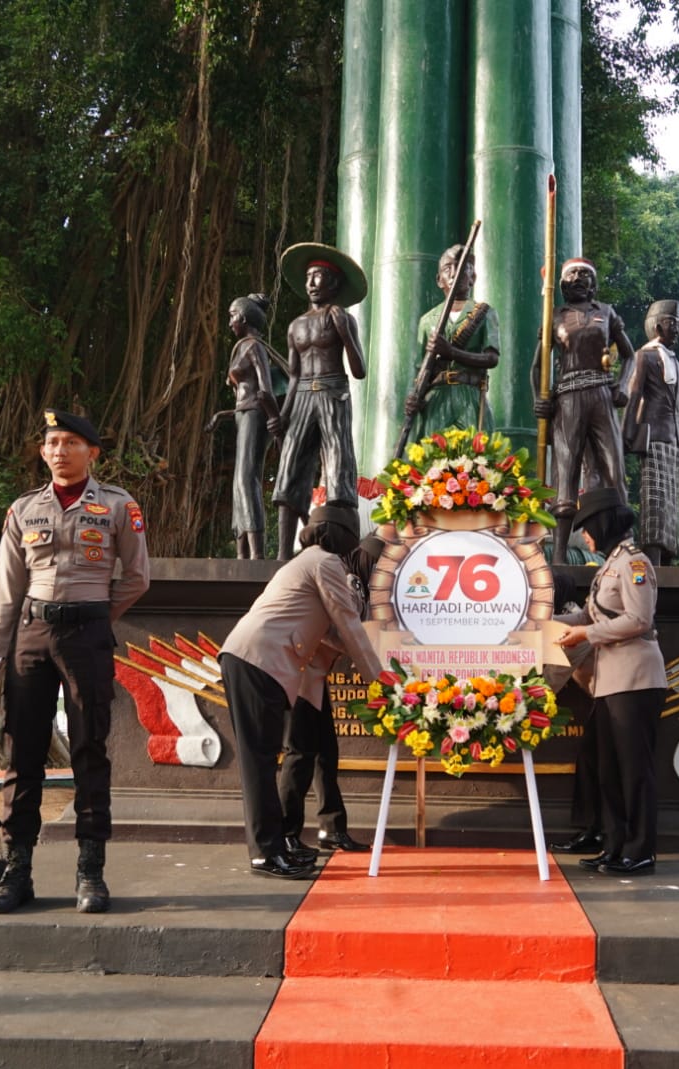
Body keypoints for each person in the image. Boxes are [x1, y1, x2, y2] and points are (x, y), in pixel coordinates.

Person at [0, 408, 151, 915]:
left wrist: (95, 615)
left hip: (87, 635)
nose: (58, 451)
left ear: (92, 452)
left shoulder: (119, 506)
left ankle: (90, 872)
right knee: (21, 752)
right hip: (31, 633)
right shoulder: (23, 510)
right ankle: (17, 870)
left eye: (71, 442)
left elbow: (137, 577)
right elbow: (4, 590)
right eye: (51, 442)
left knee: (89, 749)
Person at [219, 504, 384, 878]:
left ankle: (278, 846)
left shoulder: (308, 560)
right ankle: (265, 853)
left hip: (257, 660)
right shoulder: (325, 562)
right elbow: (347, 626)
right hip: (257, 660)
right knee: (259, 762)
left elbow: (327, 633)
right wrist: (381, 682)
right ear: (342, 537)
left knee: (264, 758)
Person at [556, 487, 667, 876]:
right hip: (610, 681)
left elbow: (639, 620)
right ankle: (615, 844)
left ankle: (641, 850)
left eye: (586, 528)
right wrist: (543, 626)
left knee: (634, 770)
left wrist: (585, 636)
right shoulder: (609, 565)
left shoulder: (634, 563)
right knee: (608, 768)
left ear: (602, 524)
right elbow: (590, 618)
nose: (584, 536)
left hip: (636, 679)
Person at [276, 535, 384, 855]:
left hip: (313, 676)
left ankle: (331, 828)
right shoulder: (346, 579)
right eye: (378, 565)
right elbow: (338, 631)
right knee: (299, 754)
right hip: (299, 673)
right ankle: (286, 833)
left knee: (326, 752)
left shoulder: (355, 582)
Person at [530, 258, 636, 563]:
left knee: (614, 470)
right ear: (562, 284)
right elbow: (538, 366)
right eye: (572, 274)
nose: (578, 278)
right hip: (568, 398)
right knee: (567, 471)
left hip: (601, 393)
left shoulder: (606, 313)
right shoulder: (555, 316)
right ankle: (560, 555)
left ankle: (623, 546)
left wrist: (624, 385)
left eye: (584, 274)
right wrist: (540, 397)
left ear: (593, 283)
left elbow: (629, 356)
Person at [272, 243, 369, 561]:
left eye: (319, 276)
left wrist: (346, 334)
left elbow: (359, 370)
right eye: (309, 277)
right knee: (290, 465)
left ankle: (340, 547)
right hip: (301, 397)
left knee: (338, 462)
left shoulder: (340, 316)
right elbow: (294, 375)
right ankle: (283, 554)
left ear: (334, 284)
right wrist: (283, 416)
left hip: (332, 390)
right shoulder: (296, 325)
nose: (312, 283)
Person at [623, 299, 679, 565]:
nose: (677, 329)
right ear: (658, 327)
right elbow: (634, 397)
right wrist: (625, 436)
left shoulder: (675, 363)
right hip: (653, 438)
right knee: (655, 502)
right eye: (672, 323)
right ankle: (653, 564)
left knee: (670, 506)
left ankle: (667, 564)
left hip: (673, 442)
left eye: (678, 324)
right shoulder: (645, 356)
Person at [403, 243, 499, 442]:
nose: (456, 272)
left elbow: (491, 358)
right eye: (448, 268)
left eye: (464, 267)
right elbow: (420, 370)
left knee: (477, 458)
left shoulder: (484, 313)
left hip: (470, 396)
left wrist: (452, 352)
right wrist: (414, 397)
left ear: (473, 277)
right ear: (439, 280)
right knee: (430, 458)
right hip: (437, 398)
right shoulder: (428, 320)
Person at [547, 567, 602, 856]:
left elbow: (549, 684)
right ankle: (594, 832)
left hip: (610, 700)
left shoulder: (572, 632)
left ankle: (597, 833)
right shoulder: (568, 617)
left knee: (597, 765)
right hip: (605, 699)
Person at [225, 293, 283, 559]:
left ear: (244, 318)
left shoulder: (254, 347)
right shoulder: (244, 346)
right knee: (239, 482)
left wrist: (275, 420)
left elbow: (264, 390)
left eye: (232, 316)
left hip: (255, 416)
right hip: (243, 414)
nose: (230, 323)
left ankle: (256, 554)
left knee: (248, 479)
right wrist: (221, 416)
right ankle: (241, 553)